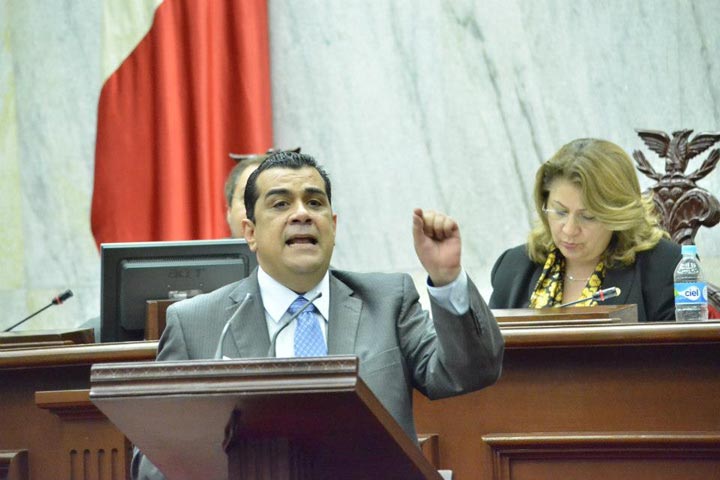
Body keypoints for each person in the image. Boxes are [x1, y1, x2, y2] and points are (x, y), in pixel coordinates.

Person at [132, 151, 504, 479]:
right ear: (250, 232)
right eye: (280, 204)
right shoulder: (197, 323)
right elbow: (152, 461)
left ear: (333, 225)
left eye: (314, 202)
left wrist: (448, 279)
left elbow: (470, 372)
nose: (302, 214)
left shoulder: (388, 301)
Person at [489, 138, 682, 322]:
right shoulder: (514, 267)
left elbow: (683, 344)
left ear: (617, 215)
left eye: (588, 216)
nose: (569, 230)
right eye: (560, 212)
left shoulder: (666, 268)